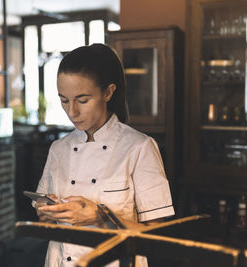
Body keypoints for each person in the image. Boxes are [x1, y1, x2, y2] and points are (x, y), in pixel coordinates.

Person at [34, 43, 174, 267]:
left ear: (108, 92)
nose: (72, 112)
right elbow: (44, 215)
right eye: (63, 100)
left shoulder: (139, 147)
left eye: (82, 100)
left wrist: (101, 216)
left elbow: (157, 237)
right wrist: (47, 214)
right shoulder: (58, 149)